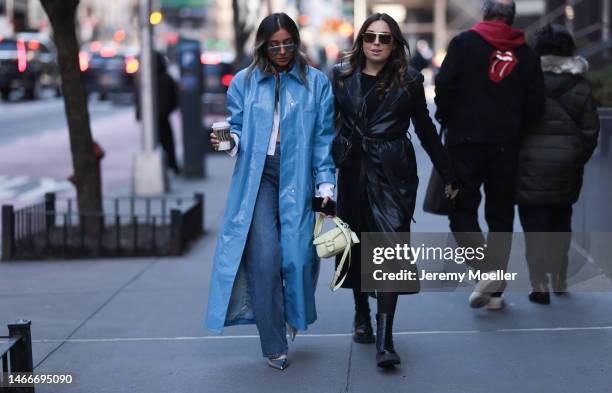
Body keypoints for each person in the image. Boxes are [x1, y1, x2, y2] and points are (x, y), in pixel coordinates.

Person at [205, 13, 336, 370]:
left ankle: (293, 313)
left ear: (296, 43)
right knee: (264, 260)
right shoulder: (245, 82)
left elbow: (325, 137)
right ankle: (273, 344)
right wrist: (229, 140)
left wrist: (326, 182)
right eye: (274, 44)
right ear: (263, 45)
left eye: (287, 44)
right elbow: (237, 126)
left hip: (299, 175)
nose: (281, 51)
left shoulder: (317, 83)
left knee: (298, 257)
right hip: (257, 177)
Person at [333, 13, 458, 368]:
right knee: (355, 245)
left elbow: (425, 128)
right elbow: (326, 127)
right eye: (370, 36)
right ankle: (362, 314)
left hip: (393, 172)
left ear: (394, 44)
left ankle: (385, 340)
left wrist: (447, 172)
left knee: (390, 249)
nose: (376, 43)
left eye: (384, 38)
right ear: (360, 41)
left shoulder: (410, 80)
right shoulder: (342, 78)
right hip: (354, 168)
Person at [435, 0, 545, 310]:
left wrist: (449, 117)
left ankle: (487, 274)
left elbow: (443, 87)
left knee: (460, 211)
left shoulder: (463, 43)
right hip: (506, 145)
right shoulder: (526, 51)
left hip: (464, 142)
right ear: (511, 18)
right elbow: (537, 103)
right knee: (500, 217)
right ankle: (494, 292)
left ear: (485, 13)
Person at [517, 24, 600, 304]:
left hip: (528, 166)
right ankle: (560, 276)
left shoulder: (526, 82)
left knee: (534, 226)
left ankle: (538, 282)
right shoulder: (581, 85)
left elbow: (513, 124)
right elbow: (590, 131)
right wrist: (577, 157)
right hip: (567, 166)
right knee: (561, 223)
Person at [135, 52, 180, 174]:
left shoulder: (146, 79)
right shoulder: (165, 78)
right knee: (167, 144)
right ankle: (172, 166)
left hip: (156, 117)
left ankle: (167, 167)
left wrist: (139, 114)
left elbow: (138, 99)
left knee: (157, 143)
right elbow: (175, 99)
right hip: (163, 117)